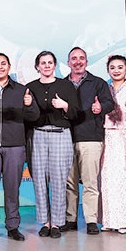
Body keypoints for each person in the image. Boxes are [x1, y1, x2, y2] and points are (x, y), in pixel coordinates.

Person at [0, 53, 39, 242]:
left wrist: (29, 105)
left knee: (12, 189)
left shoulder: (21, 90)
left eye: (3, 64)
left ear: (9, 67)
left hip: (15, 146)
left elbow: (34, 117)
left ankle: (13, 226)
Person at [26, 50, 80, 239]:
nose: (47, 66)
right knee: (39, 180)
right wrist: (28, 104)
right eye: (43, 63)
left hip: (60, 134)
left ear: (55, 65)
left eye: (50, 62)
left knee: (58, 180)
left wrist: (65, 106)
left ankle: (56, 223)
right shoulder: (30, 87)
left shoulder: (66, 85)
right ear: (37, 67)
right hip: (39, 134)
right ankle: (45, 222)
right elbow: (27, 116)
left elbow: (76, 113)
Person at [61, 47, 113, 235]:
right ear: (69, 63)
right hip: (66, 138)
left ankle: (91, 220)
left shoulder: (98, 83)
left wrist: (101, 107)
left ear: (86, 62)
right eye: (74, 58)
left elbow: (109, 103)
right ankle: (71, 219)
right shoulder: (61, 84)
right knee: (70, 182)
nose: (78, 61)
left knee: (90, 182)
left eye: (81, 58)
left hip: (91, 137)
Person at [100, 55, 126, 234]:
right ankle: (109, 220)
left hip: (125, 137)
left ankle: (124, 221)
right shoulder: (104, 90)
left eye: (120, 67)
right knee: (107, 178)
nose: (116, 70)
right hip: (108, 136)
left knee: (124, 179)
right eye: (112, 67)